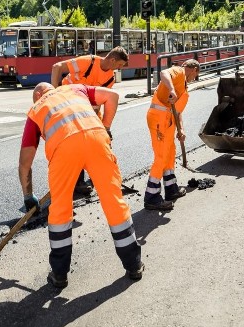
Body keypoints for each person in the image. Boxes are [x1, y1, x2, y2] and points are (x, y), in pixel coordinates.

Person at [17, 82, 143, 288]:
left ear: (39, 94)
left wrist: (27, 194)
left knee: (60, 209)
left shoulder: (36, 108)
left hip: (64, 150)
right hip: (97, 139)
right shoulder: (76, 89)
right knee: (113, 201)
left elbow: (24, 162)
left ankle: (59, 274)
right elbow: (112, 96)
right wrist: (107, 127)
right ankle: (133, 265)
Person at [50, 46, 129, 195]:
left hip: (86, 107)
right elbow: (57, 67)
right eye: (119, 65)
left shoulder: (110, 77)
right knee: (76, 141)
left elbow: (99, 103)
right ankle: (77, 182)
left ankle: (98, 177)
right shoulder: (88, 62)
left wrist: (101, 127)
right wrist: (54, 95)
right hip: (68, 104)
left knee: (100, 139)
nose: (119, 69)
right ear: (112, 60)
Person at [144, 59, 200, 211]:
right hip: (159, 119)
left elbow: (178, 112)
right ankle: (152, 197)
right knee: (161, 156)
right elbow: (163, 73)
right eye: (196, 75)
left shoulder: (184, 87)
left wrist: (181, 129)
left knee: (169, 154)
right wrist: (172, 90)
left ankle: (171, 189)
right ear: (193, 69)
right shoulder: (179, 71)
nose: (194, 78)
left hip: (169, 123)